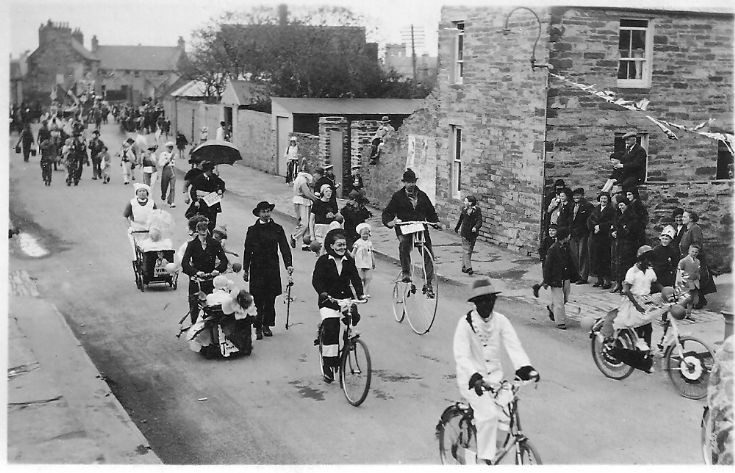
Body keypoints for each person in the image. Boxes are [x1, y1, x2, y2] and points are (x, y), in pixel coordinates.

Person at [453, 278, 540, 464]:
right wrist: (474, 377)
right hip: (472, 382)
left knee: (506, 417)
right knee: (488, 415)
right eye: (482, 301)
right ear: (475, 303)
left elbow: (513, 345)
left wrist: (525, 368)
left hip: (495, 381)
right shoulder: (465, 324)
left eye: (490, 299)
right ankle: (484, 460)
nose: (487, 305)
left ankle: (492, 453)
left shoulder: (501, 321)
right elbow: (461, 356)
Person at [312, 228, 365, 383]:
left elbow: (355, 279)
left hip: (345, 299)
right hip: (328, 300)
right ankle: (329, 365)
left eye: (344, 245)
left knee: (353, 317)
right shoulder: (323, 261)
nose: (342, 248)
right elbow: (316, 280)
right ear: (331, 246)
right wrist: (322, 292)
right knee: (331, 327)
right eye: (339, 245)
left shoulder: (348, 261)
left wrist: (360, 294)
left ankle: (347, 340)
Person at [382, 168, 440, 297]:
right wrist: (390, 222)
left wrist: (436, 222)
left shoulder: (422, 195)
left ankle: (428, 282)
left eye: (413, 182)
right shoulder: (398, 197)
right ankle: (406, 273)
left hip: (420, 228)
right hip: (405, 228)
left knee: (428, 252)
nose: (411, 185)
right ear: (404, 183)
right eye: (408, 182)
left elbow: (430, 212)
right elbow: (387, 213)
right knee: (404, 245)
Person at [242, 201, 293, 339]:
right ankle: (257, 326)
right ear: (258, 214)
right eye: (263, 211)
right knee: (257, 298)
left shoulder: (277, 228)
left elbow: (284, 247)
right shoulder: (252, 230)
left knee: (270, 298)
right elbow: (248, 250)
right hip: (257, 267)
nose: (266, 214)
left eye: (268, 211)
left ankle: (267, 324)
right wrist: (245, 269)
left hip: (272, 267)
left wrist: (288, 264)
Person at [181, 220, 228, 324]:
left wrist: (217, 270)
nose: (203, 235)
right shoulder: (192, 245)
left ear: (207, 230)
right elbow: (185, 263)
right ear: (197, 231)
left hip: (211, 280)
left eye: (205, 232)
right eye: (201, 232)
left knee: (213, 308)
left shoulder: (214, 243)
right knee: (195, 308)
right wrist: (196, 272)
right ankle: (195, 328)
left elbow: (224, 260)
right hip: (197, 281)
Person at [541, 227, 578, 329]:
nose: (570, 237)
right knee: (559, 301)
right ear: (565, 237)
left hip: (565, 277)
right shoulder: (553, 249)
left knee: (565, 299)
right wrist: (546, 280)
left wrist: (574, 275)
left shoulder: (566, 247)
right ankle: (560, 321)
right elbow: (547, 266)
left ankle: (551, 308)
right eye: (568, 235)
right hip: (555, 279)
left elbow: (570, 262)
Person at [680, 210, 716, 308]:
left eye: (684, 217)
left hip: (694, 259)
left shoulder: (695, 228)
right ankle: (698, 300)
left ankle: (698, 301)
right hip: (687, 258)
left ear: (691, 219)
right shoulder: (687, 229)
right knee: (689, 279)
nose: (682, 218)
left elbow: (696, 244)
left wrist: (691, 257)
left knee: (695, 279)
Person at [610, 197, 641, 293]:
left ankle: (626, 285)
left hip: (628, 244)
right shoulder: (617, 215)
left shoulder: (632, 217)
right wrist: (613, 232)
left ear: (627, 205)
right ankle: (618, 283)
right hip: (618, 243)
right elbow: (613, 226)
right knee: (617, 263)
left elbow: (630, 231)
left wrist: (618, 232)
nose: (620, 207)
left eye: (622, 205)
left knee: (626, 264)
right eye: (619, 205)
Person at [187, 161, 225, 233]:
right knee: (202, 219)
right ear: (207, 171)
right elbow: (193, 190)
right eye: (211, 170)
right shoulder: (198, 178)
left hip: (212, 203)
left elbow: (222, 183)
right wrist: (195, 201)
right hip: (202, 203)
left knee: (212, 220)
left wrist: (220, 190)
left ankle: (210, 233)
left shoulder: (214, 177)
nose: (211, 172)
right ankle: (200, 232)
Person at [123, 183, 158, 261]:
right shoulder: (131, 203)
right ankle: (137, 259)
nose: (142, 193)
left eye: (144, 191)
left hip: (148, 229)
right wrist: (129, 227)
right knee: (136, 248)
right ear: (137, 193)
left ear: (147, 193)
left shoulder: (151, 203)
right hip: (135, 229)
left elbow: (156, 216)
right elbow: (125, 217)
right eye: (140, 191)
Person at [588, 191, 615, 288]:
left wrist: (601, 227)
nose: (603, 200)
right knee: (597, 258)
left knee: (605, 259)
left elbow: (612, 222)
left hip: (605, 237)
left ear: (608, 200)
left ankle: (607, 281)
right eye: (602, 199)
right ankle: (599, 279)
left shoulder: (611, 210)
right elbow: (590, 220)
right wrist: (594, 227)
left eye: (605, 199)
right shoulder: (596, 209)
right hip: (596, 237)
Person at [290, 162, 319, 251]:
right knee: (305, 223)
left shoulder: (299, 178)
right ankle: (295, 237)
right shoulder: (302, 180)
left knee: (305, 222)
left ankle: (305, 244)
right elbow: (307, 193)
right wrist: (316, 199)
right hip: (302, 202)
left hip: (301, 201)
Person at [454, 195, 483, 275]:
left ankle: (464, 267)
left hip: (473, 234)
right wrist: (457, 228)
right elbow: (460, 220)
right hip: (465, 233)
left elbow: (479, 221)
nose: (464, 202)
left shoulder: (477, 210)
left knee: (469, 250)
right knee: (466, 250)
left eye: (466, 201)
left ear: (470, 203)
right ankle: (469, 268)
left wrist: (476, 227)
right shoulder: (464, 210)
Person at [569, 188, 593, 284]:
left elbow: (590, 219)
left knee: (582, 255)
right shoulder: (572, 206)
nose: (576, 197)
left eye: (578, 195)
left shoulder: (587, 206)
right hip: (573, 233)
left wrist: (585, 230)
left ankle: (583, 277)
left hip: (582, 233)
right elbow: (570, 219)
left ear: (582, 195)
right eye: (574, 196)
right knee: (574, 255)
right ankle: (576, 275)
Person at [351, 223, 375, 298]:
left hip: (368, 262)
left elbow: (371, 253)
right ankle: (360, 291)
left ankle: (366, 292)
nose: (365, 236)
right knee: (360, 277)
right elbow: (353, 252)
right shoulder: (357, 243)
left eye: (367, 234)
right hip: (359, 262)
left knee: (368, 278)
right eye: (363, 234)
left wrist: (373, 261)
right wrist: (351, 259)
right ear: (360, 234)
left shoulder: (370, 243)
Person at [678, 244, 701, 318]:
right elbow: (679, 272)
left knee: (692, 299)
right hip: (686, 282)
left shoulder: (697, 261)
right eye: (692, 251)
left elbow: (697, 271)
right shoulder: (683, 261)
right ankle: (677, 312)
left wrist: (698, 278)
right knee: (687, 299)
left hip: (695, 282)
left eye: (696, 252)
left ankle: (688, 314)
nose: (694, 253)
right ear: (689, 251)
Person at [158, 141, 177, 208]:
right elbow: (160, 164)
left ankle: (172, 201)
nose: (170, 149)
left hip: (173, 170)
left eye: (171, 147)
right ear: (166, 147)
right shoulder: (163, 154)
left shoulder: (174, 154)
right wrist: (166, 161)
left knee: (172, 187)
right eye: (169, 147)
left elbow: (175, 163)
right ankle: (163, 196)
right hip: (166, 170)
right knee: (164, 186)